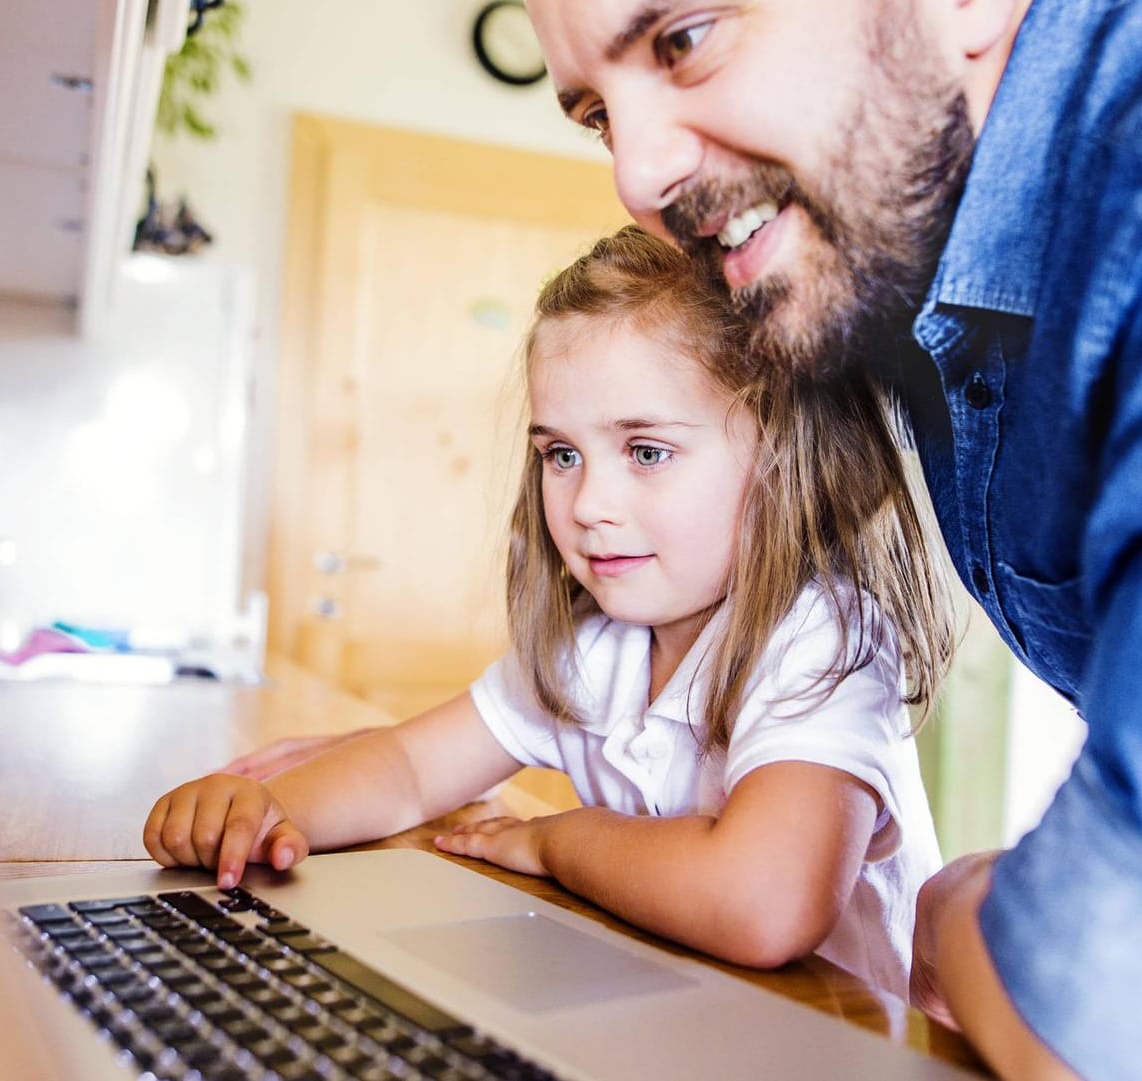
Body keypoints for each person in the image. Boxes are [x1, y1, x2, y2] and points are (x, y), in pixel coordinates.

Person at [519, 0, 1142, 1078]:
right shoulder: (926, 268)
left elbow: (1137, 1040)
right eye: (599, 114)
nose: (638, 177)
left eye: (685, 39)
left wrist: (964, 919)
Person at [145, 226, 957, 999]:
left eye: (646, 451)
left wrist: (555, 838)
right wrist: (271, 809)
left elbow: (764, 904)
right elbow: (409, 768)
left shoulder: (824, 638)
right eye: (561, 454)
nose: (590, 502)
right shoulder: (590, 651)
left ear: (786, 456)